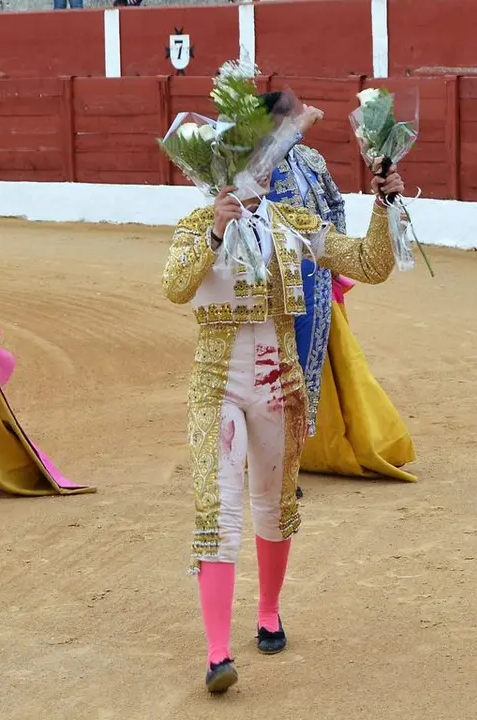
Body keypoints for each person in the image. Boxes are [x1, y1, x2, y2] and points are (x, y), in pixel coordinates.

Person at [161, 130, 405, 694]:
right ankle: (217, 652)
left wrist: (385, 203)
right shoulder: (197, 226)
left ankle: (268, 611)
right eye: (256, 164)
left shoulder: (291, 222)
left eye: (269, 165)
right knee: (217, 508)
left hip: (279, 383)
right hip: (216, 385)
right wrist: (219, 229)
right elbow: (174, 287)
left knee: (272, 503)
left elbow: (370, 265)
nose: (266, 173)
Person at [259, 91, 417, 490]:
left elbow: (333, 209)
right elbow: (253, 173)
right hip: (265, 284)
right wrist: (295, 129)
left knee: (306, 374)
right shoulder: (256, 158)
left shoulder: (311, 160)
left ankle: (289, 459)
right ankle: (270, 461)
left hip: (314, 275)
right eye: (292, 113)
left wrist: (382, 203)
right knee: (272, 372)